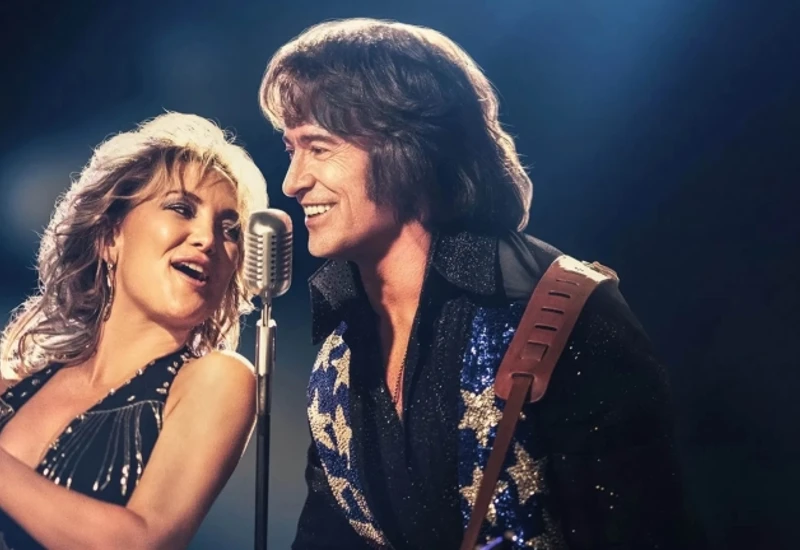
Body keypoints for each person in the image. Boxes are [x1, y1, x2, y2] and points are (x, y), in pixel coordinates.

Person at [260, 18, 702, 550]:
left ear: (408, 148)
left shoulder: (564, 310)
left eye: (318, 147)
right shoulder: (338, 352)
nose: (292, 182)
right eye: (291, 150)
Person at [0, 112, 268, 549]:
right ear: (110, 237)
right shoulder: (15, 386)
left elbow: (141, 541)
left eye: (230, 230)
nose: (208, 239)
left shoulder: (218, 379)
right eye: (181, 208)